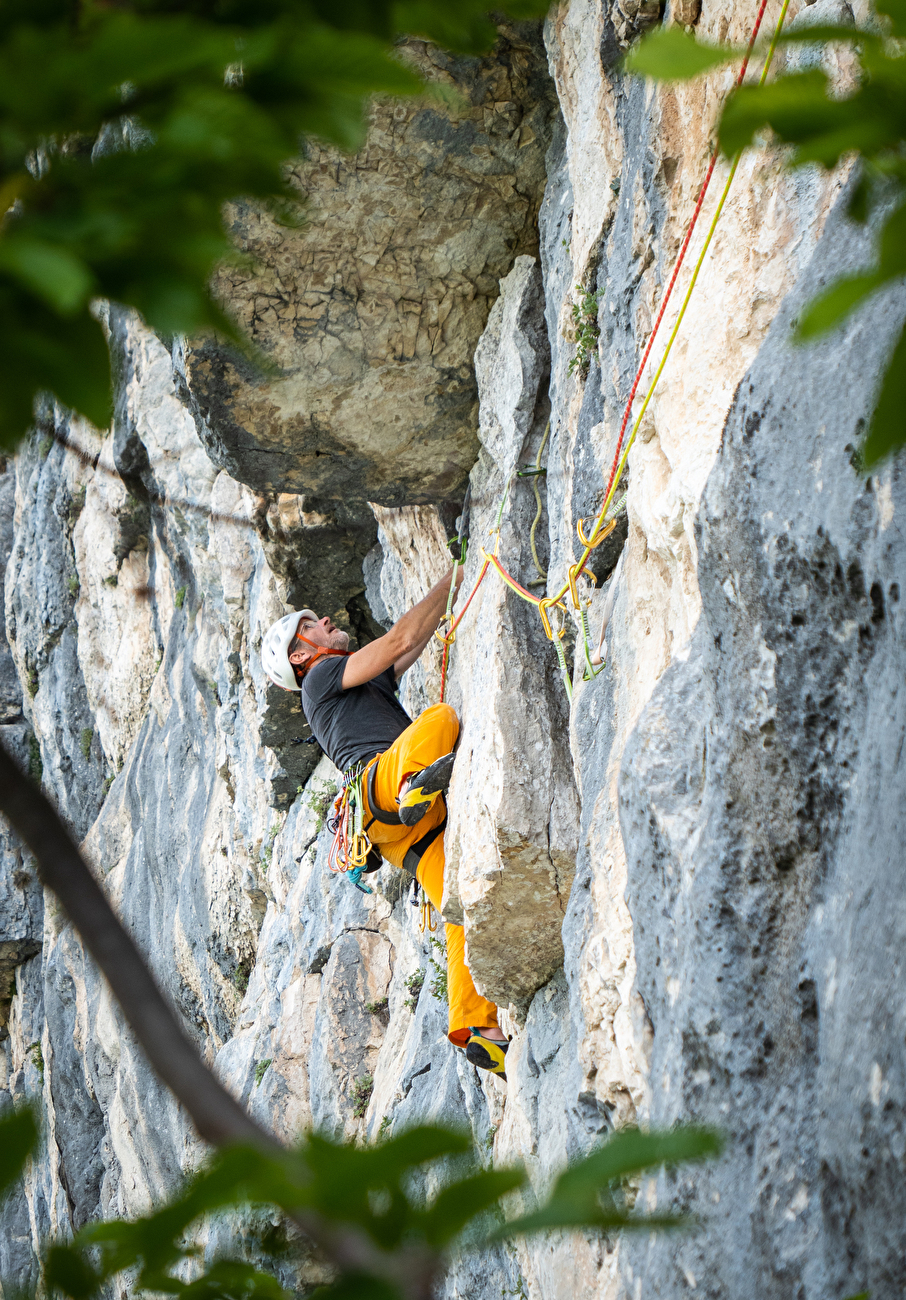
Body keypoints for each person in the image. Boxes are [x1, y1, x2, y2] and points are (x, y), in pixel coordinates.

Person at [261, 570, 509, 1078]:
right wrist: (455, 571)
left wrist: (455, 586)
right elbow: (397, 637)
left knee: (462, 902)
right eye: (313, 624)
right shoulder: (322, 678)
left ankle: (479, 1029)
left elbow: (413, 638)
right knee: (439, 718)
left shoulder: (359, 683)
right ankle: (414, 784)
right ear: (300, 655)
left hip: (398, 834)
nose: (326, 620)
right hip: (382, 788)